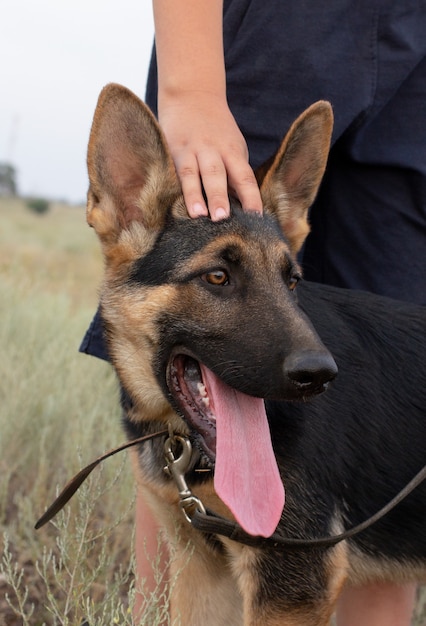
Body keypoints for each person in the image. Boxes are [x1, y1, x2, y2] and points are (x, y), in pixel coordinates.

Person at [81, 0, 426, 623]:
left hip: (413, 45)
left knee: (393, 386)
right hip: (265, 27)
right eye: (217, 277)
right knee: (184, 449)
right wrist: (191, 86)